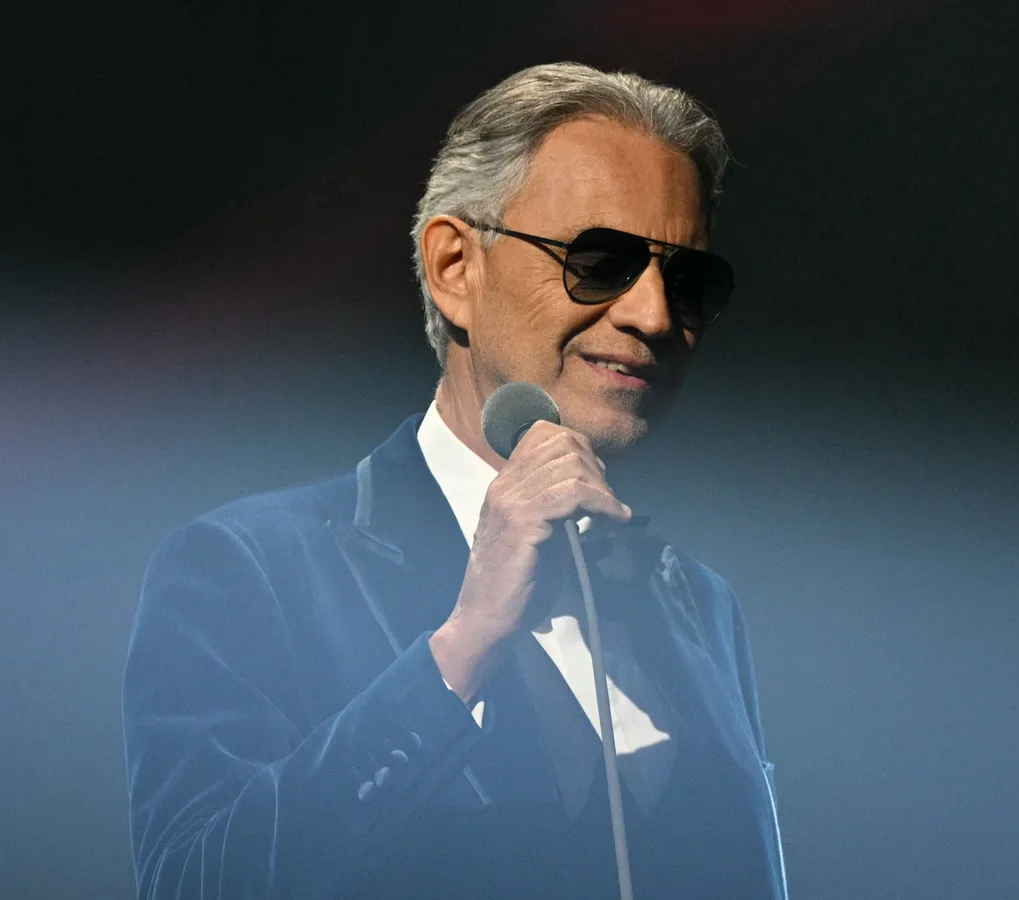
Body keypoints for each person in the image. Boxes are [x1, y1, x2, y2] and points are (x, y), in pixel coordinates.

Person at [122, 62, 787, 900]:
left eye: (689, 281)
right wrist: (462, 646)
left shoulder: (696, 602)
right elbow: (196, 885)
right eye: (601, 260)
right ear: (453, 267)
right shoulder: (248, 570)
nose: (654, 316)